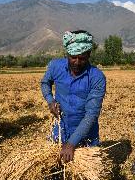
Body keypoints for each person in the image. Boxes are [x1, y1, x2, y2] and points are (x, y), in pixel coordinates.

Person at [41, 30, 106, 163]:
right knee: (54, 167)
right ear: (67, 54)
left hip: (86, 132)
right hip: (61, 128)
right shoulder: (55, 66)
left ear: (89, 55)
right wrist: (50, 100)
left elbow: (91, 115)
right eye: (73, 57)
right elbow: (45, 83)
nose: (76, 62)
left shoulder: (97, 77)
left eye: (82, 58)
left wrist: (71, 144)